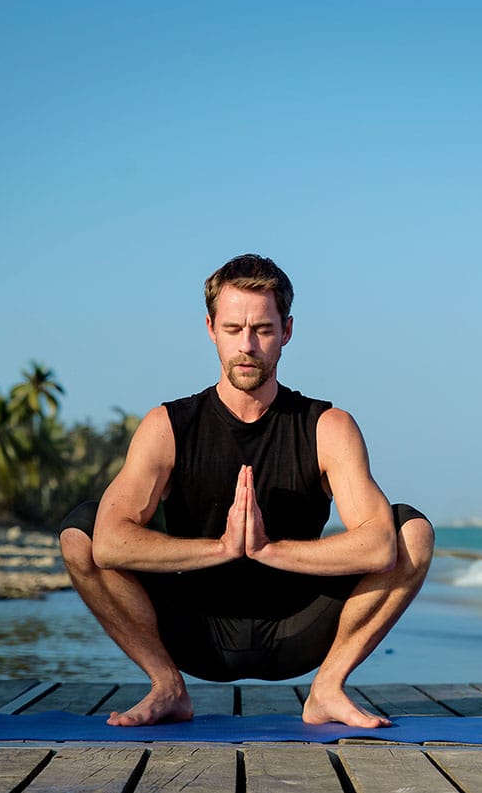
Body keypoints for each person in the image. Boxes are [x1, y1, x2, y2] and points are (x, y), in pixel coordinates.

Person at [59, 254, 434, 729]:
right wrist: (221, 548)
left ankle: (327, 689)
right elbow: (111, 542)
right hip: (193, 633)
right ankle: (167, 686)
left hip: (300, 628)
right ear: (211, 328)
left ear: (287, 331)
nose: (248, 346)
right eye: (234, 329)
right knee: (82, 535)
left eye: (263, 329)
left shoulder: (328, 427)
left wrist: (267, 550)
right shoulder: (168, 427)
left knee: (412, 533)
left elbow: (380, 545)